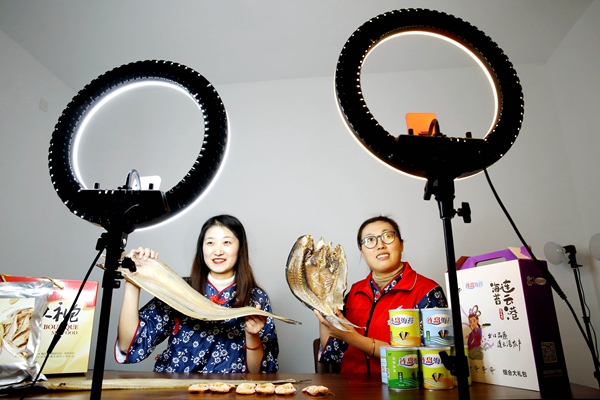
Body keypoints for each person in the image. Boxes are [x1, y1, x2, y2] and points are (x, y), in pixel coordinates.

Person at [115, 214, 279, 373]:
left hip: (227, 388)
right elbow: (128, 345)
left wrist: (252, 335)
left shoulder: (255, 298)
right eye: (210, 243)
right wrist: (133, 279)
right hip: (175, 387)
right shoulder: (178, 289)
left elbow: (258, 372)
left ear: (240, 248)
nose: (218, 251)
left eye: (227, 242)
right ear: (202, 248)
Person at [315, 215, 448, 373]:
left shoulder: (428, 292)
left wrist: (355, 339)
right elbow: (333, 353)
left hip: (402, 386)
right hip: (351, 386)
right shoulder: (353, 293)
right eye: (370, 240)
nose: (380, 245)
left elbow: (435, 360)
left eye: (388, 236)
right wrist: (321, 300)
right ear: (362, 252)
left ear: (401, 245)